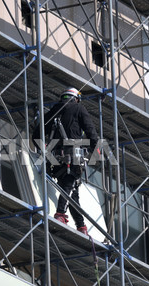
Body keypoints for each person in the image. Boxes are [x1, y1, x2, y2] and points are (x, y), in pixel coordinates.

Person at [32, 87, 98, 236]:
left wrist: (46, 151)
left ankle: (81, 225)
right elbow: (90, 130)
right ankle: (60, 213)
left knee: (70, 188)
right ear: (76, 98)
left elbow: (36, 135)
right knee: (70, 183)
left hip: (55, 158)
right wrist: (95, 149)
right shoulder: (79, 108)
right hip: (72, 155)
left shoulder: (53, 111)